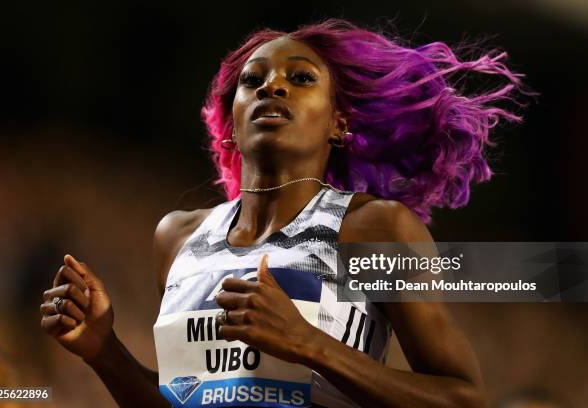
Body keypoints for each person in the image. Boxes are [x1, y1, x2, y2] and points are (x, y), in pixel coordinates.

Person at [40, 18, 531, 407]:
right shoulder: (178, 237)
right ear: (230, 122)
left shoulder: (373, 227)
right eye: (252, 81)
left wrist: (309, 344)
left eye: (300, 78)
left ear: (338, 123)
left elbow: (463, 397)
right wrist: (105, 352)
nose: (271, 87)